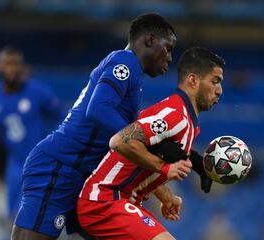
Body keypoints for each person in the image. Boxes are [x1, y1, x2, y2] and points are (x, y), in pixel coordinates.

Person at [11, 13, 177, 240]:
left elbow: (126, 146)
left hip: (84, 177)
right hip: (59, 167)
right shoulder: (124, 61)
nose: (169, 58)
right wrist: (141, 140)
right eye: (167, 48)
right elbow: (98, 109)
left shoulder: (134, 78)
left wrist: (163, 192)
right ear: (149, 40)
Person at [77, 47, 225, 240]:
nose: (220, 90)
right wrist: (163, 168)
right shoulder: (174, 115)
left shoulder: (188, 123)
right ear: (193, 80)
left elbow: (141, 160)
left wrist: (165, 194)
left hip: (125, 202)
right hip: (104, 200)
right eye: (215, 82)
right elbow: (120, 141)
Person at [0, 46, 61, 220]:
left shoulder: (37, 91)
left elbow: (62, 117)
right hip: (14, 167)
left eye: (16, 64)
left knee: (38, 219)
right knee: (14, 220)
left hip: (41, 163)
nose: (12, 68)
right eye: (7, 63)